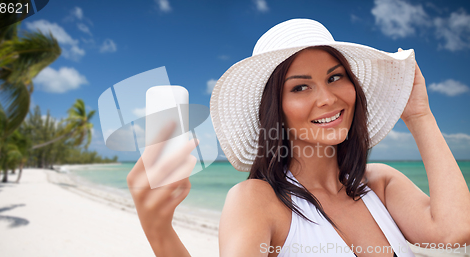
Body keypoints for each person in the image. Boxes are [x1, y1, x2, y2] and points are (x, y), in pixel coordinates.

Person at [126, 19, 470, 256]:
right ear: (276, 108)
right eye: (301, 86)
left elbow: (453, 233)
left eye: (335, 78)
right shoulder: (257, 201)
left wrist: (419, 115)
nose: (327, 98)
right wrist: (160, 232)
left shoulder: (379, 184)